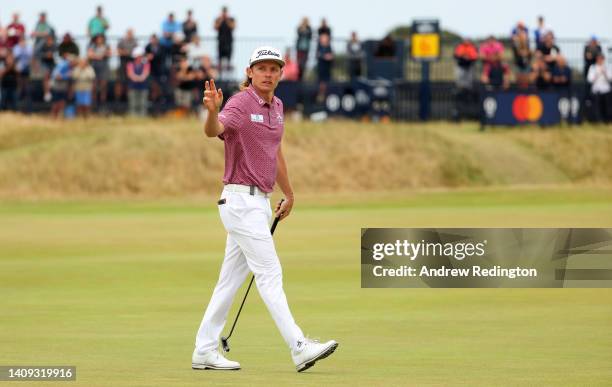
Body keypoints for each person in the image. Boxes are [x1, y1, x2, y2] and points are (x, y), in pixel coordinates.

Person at [194, 46, 338, 372]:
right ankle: (299, 347)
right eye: (262, 68)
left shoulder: (278, 107)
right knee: (270, 274)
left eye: (274, 68)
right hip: (240, 201)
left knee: (229, 282)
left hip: (258, 203)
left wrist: (288, 192)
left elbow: (275, 153)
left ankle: (203, 350)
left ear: (280, 73)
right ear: (250, 72)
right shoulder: (240, 103)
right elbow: (213, 131)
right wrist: (211, 111)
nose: (268, 73)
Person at [87, 33, 111, 110]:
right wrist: (100, 56)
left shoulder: (106, 46)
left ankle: (102, 103)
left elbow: (109, 53)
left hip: (103, 67)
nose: (100, 40)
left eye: (101, 38)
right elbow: (90, 55)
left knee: (103, 86)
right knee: (94, 86)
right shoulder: (92, 46)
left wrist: (97, 55)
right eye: (98, 38)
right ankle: (93, 103)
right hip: (94, 67)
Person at [586, 53, 611, 123]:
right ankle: (598, 120)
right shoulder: (593, 67)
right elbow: (589, 79)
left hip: (606, 90)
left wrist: (605, 73)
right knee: (597, 107)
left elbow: (610, 78)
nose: (600, 60)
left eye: (601, 59)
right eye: (598, 59)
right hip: (596, 90)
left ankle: (607, 120)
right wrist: (597, 74)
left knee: (607, 106)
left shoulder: (608, 67)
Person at [126, 46, 150, 116]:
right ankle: (133, 117)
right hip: (133, 86)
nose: (140, 57)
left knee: (143, 103)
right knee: (133, 103)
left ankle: (142, 116)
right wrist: (138, 78)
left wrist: (139, 78)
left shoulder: (146, 64)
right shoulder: (130, 64)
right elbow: (130, 74)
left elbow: (145, 74)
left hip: (143, 86)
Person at [49, 52, 74, 118]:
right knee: (56, 103)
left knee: (62, 103)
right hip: (57, 87)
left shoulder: (70, 67)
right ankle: (54, 117)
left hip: (63, 87)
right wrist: (66, 76)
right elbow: (57, 76)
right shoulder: (62, 65)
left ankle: (60, 117)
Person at [116, 29, 138, 100]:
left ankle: (129, 99)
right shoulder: (122, 41)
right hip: (123, 64)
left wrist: (127, 53)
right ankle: (119, 99)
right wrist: (128, 53)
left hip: (132, 65)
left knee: (130, 82)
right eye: (129, 33)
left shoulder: (135, 42)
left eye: (131, 33)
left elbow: (136, 53)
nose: (130, 34)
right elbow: (119, 51)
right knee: (120, 82)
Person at [214, 6, 235, 77]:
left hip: (229, 42)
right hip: (220, 42)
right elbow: (215, 27)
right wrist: (221, 19)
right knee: (219, 61)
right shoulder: (218, 19)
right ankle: (219, 76)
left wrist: (227, 19)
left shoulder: (231, 19)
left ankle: (228, 77)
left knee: (228, 61)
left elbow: (233, 26)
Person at [316, 33, 333, 103]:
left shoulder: (329, 47)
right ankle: (320, 98)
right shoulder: (319, 46)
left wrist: (329, 57)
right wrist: (325, 56)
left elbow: (331, 56)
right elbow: (318, 55)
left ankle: (326, 98)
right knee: (321, 83)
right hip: (321, 69)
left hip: (328, 69)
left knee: (328, 83)